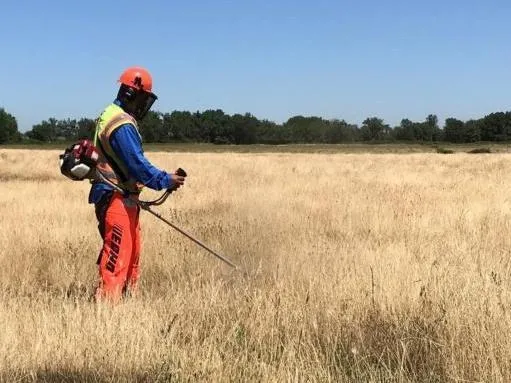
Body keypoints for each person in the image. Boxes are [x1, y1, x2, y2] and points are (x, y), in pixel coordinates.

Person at [89, 66, 185, 301]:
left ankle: (128, 302)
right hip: (115, 196)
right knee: (118, 255)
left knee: (131, 253)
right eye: (143, 98)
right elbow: (136, 164)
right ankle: (108, 310)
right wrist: (164, 180)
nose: (144, 106)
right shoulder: (120, 122)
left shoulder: (112, 115)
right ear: (131, 94)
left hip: (123, 196)